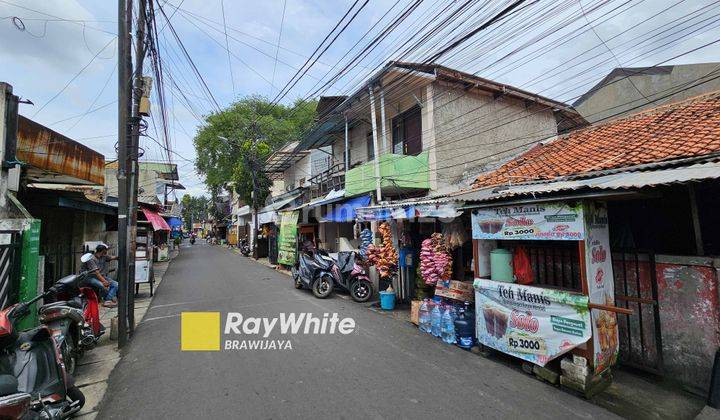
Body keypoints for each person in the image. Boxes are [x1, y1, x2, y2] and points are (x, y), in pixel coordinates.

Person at [80, 243, 119, 308]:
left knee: (116, 284)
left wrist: (119, 257)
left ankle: (107, 300)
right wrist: (104, 281)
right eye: (105, 251)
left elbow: (112, 257)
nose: (107, 252)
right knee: (102, 286)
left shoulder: (103, 257)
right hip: (90, 277)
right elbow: (96, 272)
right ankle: (107, 299)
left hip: (100, 276)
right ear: (102, 251)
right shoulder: (91, 259)